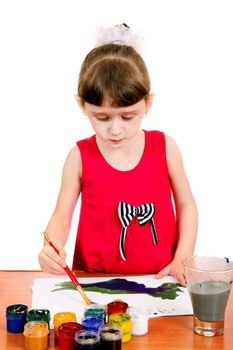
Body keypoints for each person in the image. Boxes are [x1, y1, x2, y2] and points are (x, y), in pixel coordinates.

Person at [39, 24, 198, 284]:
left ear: (148, 103)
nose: (115, 129)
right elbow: (61, 216)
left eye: (128, 116)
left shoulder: (165, 147)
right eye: (101, 117)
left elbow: (186, 204)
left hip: (160, 278)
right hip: (93, 281)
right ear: (82, 105)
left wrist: (183, 255)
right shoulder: (78, 157)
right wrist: (51, 248)